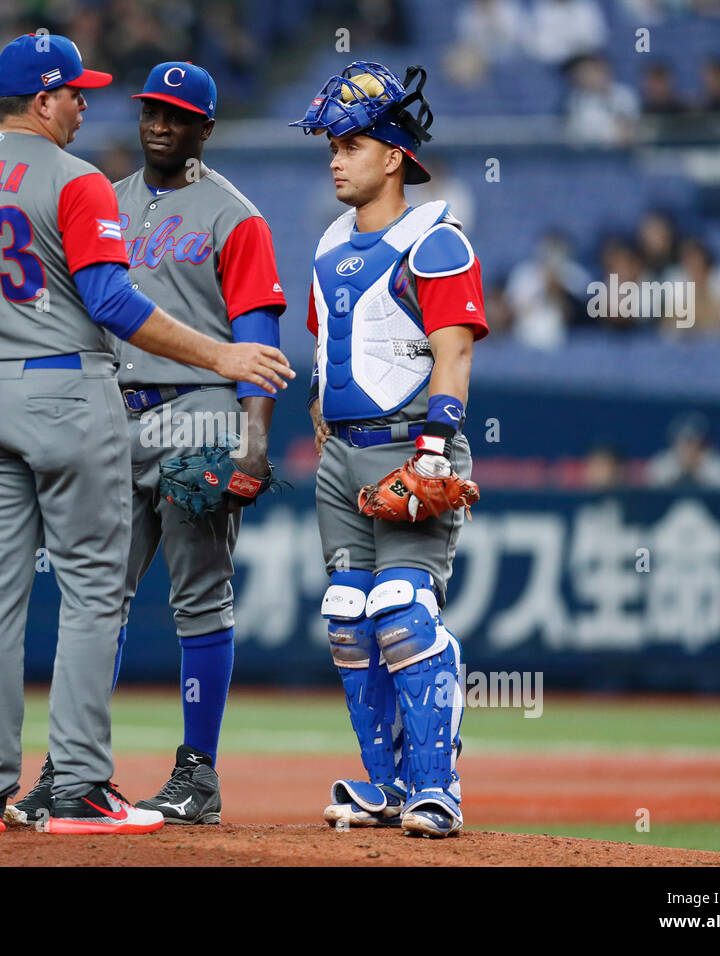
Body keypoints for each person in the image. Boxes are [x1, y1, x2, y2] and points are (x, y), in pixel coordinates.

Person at [0, 34, 292, 837]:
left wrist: (251, 435)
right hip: (94, 407)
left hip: (186, 410)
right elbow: (112, 305)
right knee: (99, 596)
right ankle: (74, 776)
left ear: (205, 127)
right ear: (47, 99)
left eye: (178, 114)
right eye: (148, 109)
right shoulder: (88, 186)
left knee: (159, 595)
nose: (156, 122)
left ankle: (171, 772)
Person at [292, 62, 487, 838]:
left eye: (350, 143)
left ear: (394, 154)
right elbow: (330, 348)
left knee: (402, 611)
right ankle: (388, 784)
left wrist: (437, 448)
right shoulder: (329, 243)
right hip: (342, 459)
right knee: (348, 618)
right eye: (332, 146)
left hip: (412, 446)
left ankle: (438, 789)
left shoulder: (435, 240)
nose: (335, 158)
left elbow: (455, 353)